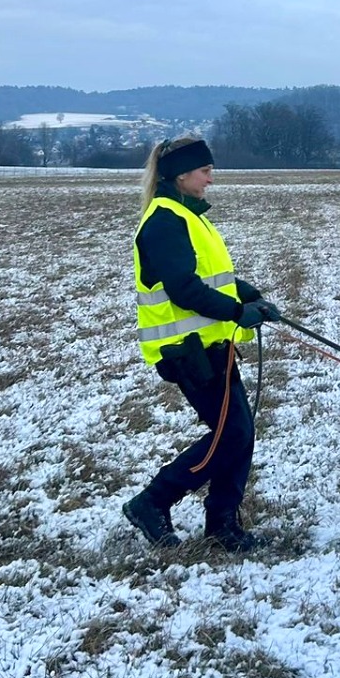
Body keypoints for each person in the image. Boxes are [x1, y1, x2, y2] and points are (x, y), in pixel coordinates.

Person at [122, 134, 281, 552]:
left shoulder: (189, 216)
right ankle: (154, 500)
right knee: (233, 434)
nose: (211, 179)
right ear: (181, 174)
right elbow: (183, 290)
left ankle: (222, 525)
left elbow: (213, 278)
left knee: (239, 434)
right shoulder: (164, 221)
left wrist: (248, 294)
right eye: (206, 171)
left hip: (212, 345)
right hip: (187, 350)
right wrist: (235, 312)